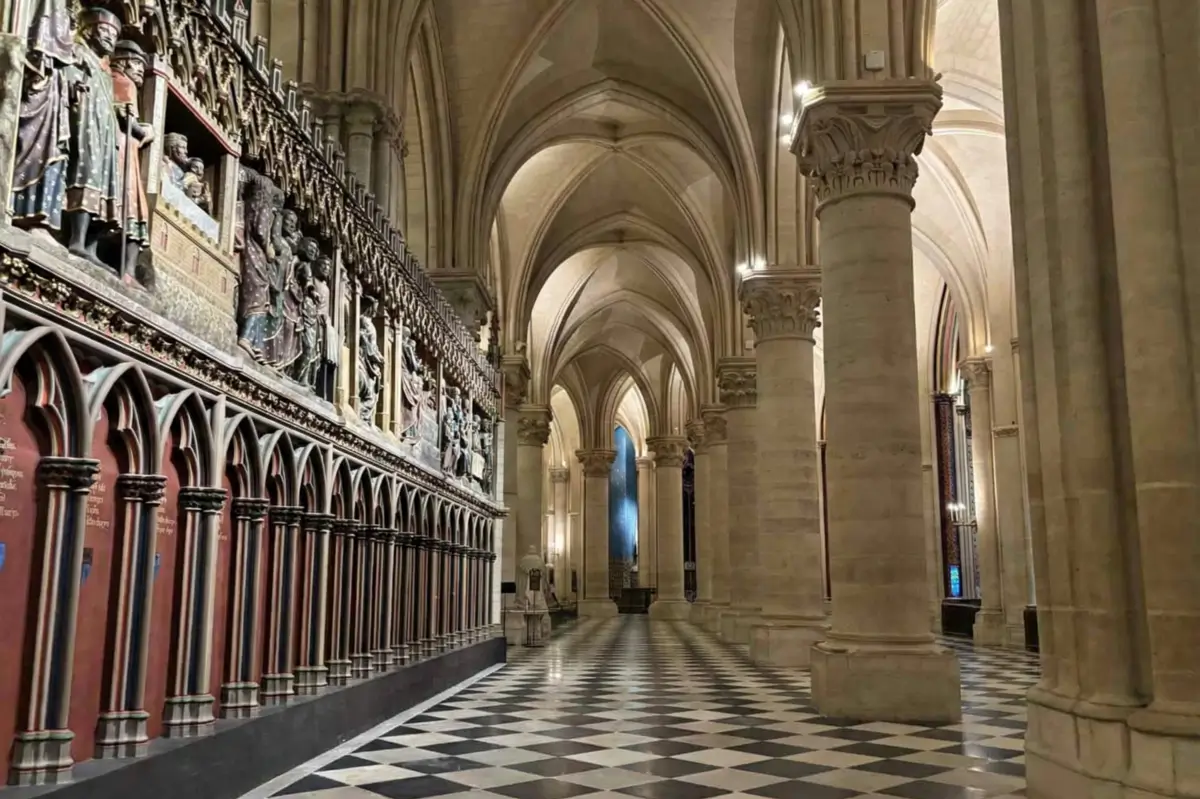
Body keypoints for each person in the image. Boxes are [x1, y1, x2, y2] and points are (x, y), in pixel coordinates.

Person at [62, 6, 123, 269]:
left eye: (113, 34)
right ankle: (75, 239)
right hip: (86, 123)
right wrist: (76, 83)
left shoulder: (105, 71)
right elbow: (67, 74)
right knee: (86, 173)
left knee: (106, 184)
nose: (110, 38)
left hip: (106, 134)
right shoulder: (80, 52)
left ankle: (91, 247)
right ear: (89, 30)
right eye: (105, 31)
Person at [10, 0, 75, 241]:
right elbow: (40, 42)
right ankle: (25, 212)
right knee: (36, 149)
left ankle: (42, 217)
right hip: (41, 84)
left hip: (55, 91)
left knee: (56, 152)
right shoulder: (50, 6)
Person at [109, 39, 153, 281]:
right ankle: (127, 272)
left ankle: (127, 272)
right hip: (123, 151)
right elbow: (128, 121)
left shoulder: (113, 79)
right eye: (136, 63)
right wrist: (146, 131)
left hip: (124, 149)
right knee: (133, 207)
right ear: (123, 62)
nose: (140, 71)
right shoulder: (124, 83)